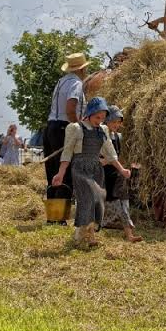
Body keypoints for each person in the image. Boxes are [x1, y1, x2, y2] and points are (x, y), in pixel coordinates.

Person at [52, 97, 131, 248]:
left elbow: (110, 152)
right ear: (89, 113)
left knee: (98, 200)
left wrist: (121, 169)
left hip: (96, 169)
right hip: (80, 168)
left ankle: (88, 235)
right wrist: (61, 173)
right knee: (88, 197)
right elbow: (67, 153)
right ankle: (81, 235)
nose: (99, 121)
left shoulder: (103, 130)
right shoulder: (76, 128)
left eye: (102, 118)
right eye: (97, 117)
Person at [43, 53, 89, 222]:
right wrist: (77, 127)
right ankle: (60, 217)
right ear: (82, 69)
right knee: (66, 170)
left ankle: (53, 216)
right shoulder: (76, 83)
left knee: (53, 172)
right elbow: (71, 108)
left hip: (50, 127)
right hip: (64, 128)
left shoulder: (60, 82)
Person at [101, 105, 143, 243]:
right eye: (114, 121)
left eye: (119, 122)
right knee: (107, 206)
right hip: (103, 176)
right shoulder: (99, 135)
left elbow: (120, 157)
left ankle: (129, 235)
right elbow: (96, 159)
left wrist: (128, 166)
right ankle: (94, 230)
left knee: (124, 204)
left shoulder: (119, 137)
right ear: (106, 121)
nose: (116, 125)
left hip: (118, 176)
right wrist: (108, 161)